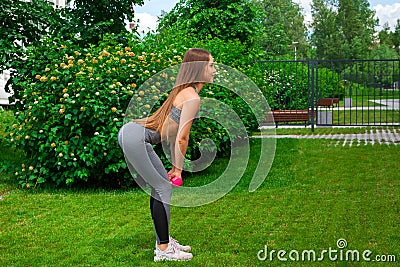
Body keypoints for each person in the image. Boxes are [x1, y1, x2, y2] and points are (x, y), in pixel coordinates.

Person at [118, 48, 216, 262]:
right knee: (163, 187)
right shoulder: (191, 97)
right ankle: (163, 250)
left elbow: (173, 136)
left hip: (133, 134)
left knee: (160, 186)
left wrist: (174, 164)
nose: (214, 70)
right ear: (199, 69)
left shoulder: (185, 92)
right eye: (211, 65)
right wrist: (179, 169)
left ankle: (163, 242)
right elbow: (182, 138)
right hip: (135, 136)